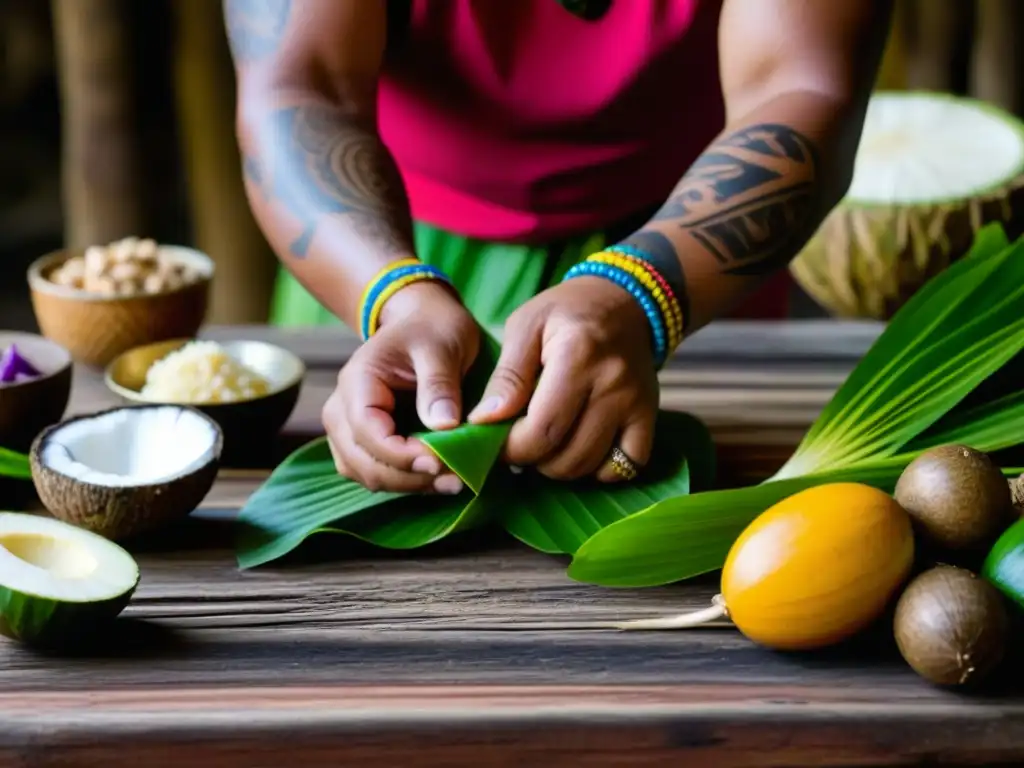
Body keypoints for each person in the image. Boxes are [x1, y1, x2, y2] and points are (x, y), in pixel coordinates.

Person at [225, 0, 893, 496]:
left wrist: (637, 294)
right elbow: (299, 83)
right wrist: (394, 301)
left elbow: (802, 85)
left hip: (690, 251)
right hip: (377, 244)